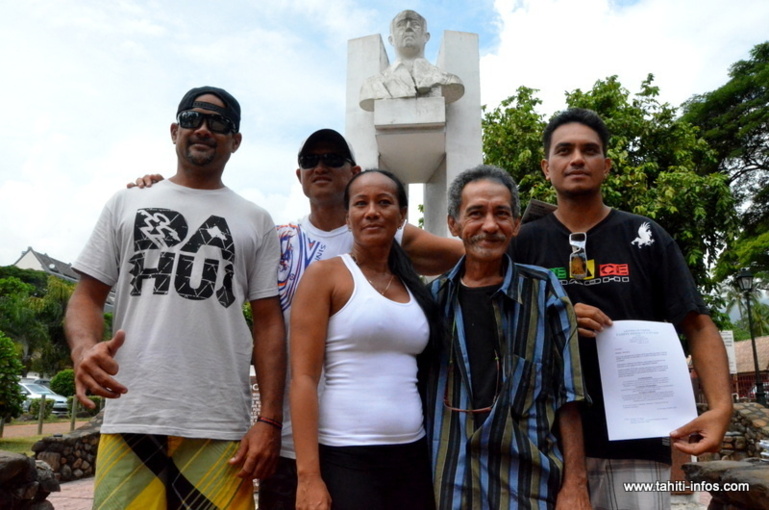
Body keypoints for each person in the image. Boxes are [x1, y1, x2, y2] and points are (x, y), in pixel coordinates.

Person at [131, 128, 464, 509]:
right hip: (290, 440)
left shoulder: (387, 234)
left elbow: (473, 253)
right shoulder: (275, 239)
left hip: (390, 445)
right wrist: (167, 193)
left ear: (354, 172)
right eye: (310, 160)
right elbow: (207, 252)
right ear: (299, 175)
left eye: (332, 159)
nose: (320, 167)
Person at [65, 86, 285, 509]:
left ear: (235, 140)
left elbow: (268, 322)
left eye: (218, 123)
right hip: (132, 411)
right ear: (174, 130)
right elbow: (87, 297)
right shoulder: (127, 202)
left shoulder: (256, 220)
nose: (203, 129)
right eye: (191, 118)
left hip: (218, 421)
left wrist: (269, 421)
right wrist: (83, 350)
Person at [510, 108, 732, 509]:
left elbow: (697, 324)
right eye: (564, 150)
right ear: (546, 167)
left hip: (638, 446)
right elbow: (499, 329)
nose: (577, 159)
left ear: (607, 165)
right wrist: (555, 318)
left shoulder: (646, 235)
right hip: (543, 447)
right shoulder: (522, 244)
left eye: (589, 150)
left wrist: (721, 407)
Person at [422, 165, 590, 509]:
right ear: (454, 224)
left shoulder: (543, 291)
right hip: (451, 485)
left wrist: (575, 485)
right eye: (475, 213)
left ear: (515, 225)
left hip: (527, 486)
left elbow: (569, 396)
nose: (489, 225)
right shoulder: (432, 300)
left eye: (501, 214)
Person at [290, 170, 439, 510]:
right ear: (348, 217)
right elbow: (303, 379)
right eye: (361, 204)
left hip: (413, 456)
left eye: (384, 202)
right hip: (347, 457)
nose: (372, 212)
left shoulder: (414, 287)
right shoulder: (325, 276)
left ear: (402, 216)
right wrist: (309, 477)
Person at [359, 9, 464, 112]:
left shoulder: (448, 80)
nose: (408, 28)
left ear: (426, 37)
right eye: (400, 25)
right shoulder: (372, 85)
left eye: (415, 24)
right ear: (391, 40)